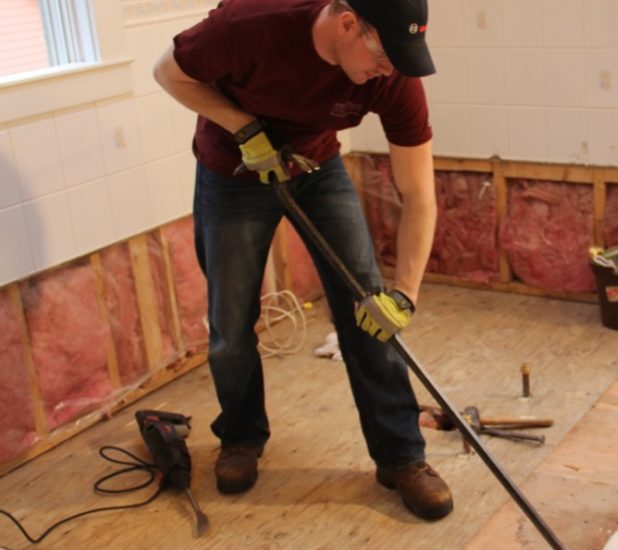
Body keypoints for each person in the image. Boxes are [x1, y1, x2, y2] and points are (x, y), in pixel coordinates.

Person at [152, 0, 451, 520]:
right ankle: (241, 437)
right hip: (233, 172)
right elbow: (167, 73)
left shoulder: (393, 75)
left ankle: (401, 456)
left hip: (316, 167)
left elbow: (419, 194)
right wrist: (244, 128)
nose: (388, 70)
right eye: (383, 56)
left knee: (370, 312)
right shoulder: (249, 24)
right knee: (230, 325)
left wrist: (404, 294)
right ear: (349, 24)